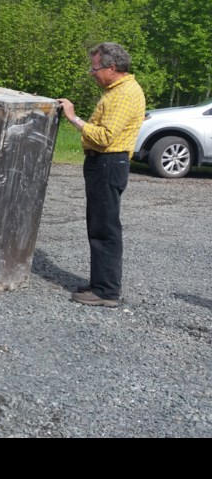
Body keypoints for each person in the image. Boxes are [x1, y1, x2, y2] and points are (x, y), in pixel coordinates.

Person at [57, 42, 145, 308]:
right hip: (105, 164)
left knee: (105, 229)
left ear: (112, 68)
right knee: (99, 225)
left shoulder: (124, 94)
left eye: (95, 68)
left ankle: (106, 291)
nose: (92, 73)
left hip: (108, 163)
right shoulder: (116, 90)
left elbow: (106, 136)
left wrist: (74, 118)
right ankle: (100, 284)